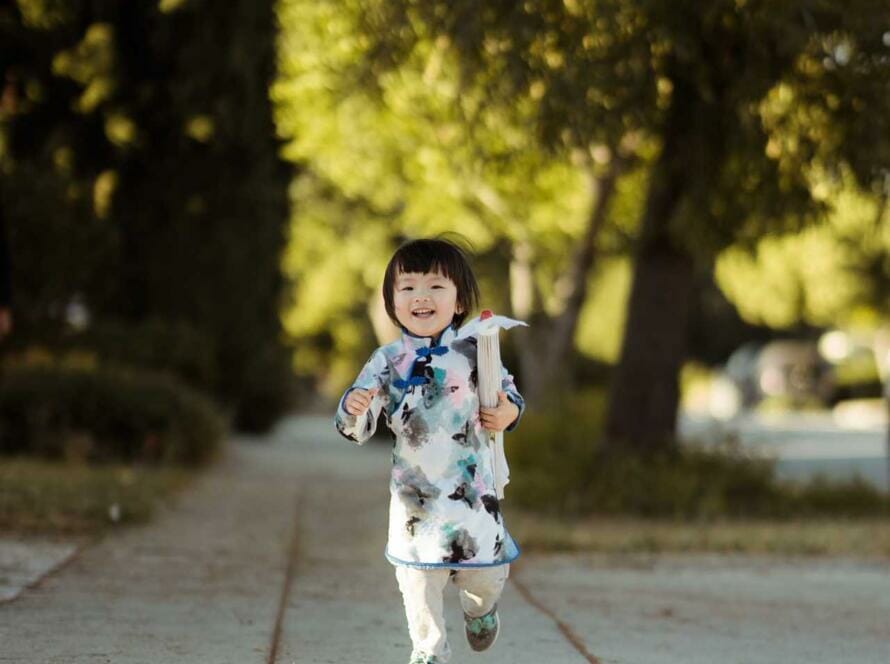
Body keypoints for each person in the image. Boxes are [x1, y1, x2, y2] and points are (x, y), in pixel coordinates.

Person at [334, 237, 525, 664]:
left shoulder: (476, 351)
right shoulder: (387, 361)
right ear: (392, 302)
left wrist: (507, 412)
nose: (421, 296)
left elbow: (508, 393)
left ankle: (481, 611)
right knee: (418, 583)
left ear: (458, 302)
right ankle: (429, 652)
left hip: (471, 494)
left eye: (435, 286)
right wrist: (354, 407)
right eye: (408, 287)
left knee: (489, 576)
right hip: (415, 500)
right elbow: (358, 427)